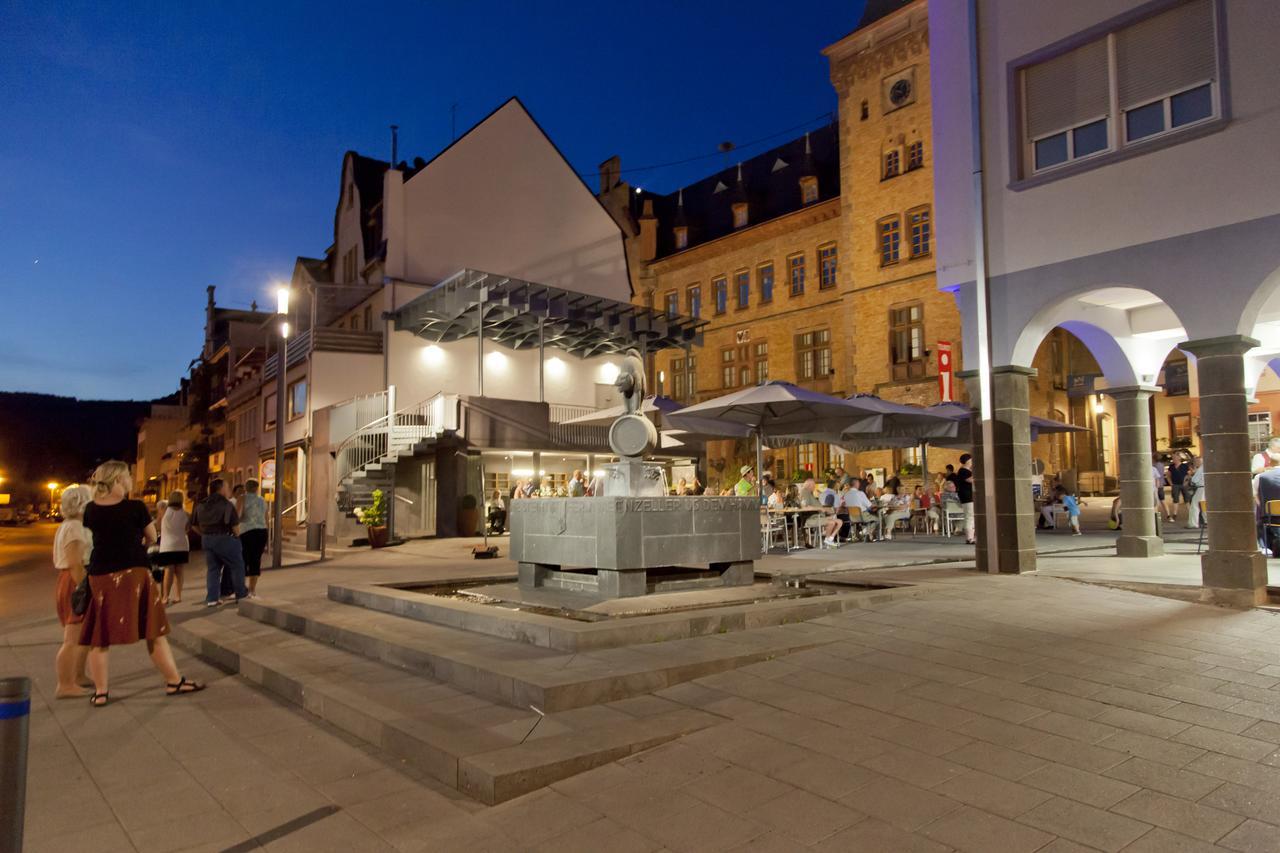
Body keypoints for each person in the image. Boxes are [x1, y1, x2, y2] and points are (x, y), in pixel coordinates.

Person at [80, 461, 204, 706]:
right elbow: (151, 537)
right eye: (126, 477)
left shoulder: (91, 509)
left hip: (101, 574)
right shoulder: (135, 507)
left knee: (99, 636)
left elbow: (89, 542)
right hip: (134, 572)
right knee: (153, 631)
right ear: (117, 480)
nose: (128, 481)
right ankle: (173, 680)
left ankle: (101, 692)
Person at [52, 483, 92, 698]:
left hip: (68, 579)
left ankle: (78, 676)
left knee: (81, 633)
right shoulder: (74, 527)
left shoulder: (68, 525)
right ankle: (65, 684)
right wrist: (85, 587)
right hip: (74, 580)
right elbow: (75, 562)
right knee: (73, 636)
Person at [194, 478, 249, 607]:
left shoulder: (201, 504)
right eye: (227, 487)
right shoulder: (227, 505)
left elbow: (193, 524)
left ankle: (212, 598)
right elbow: (235, 526)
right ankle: (241, 594)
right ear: (221, 489)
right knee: (237, 566)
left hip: (207, 539)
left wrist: (204, 534)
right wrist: (237, 538)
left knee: (213, 569)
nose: (229, 490)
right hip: (225, 538)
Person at [155, 490, 190, 605]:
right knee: (179, 571)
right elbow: (187, 529)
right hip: (182, 544)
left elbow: (158, 527)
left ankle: (165, 596)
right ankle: (178, 596)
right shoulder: (185, 513)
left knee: (168, 571)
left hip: (167, 545)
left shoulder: (164, 511)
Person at [239, 480, 268, 594]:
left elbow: (238, 515)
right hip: (261, 532)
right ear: (257, 488)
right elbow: (266, 517)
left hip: (246, 531)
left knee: (243, 560)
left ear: (246, 487)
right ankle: (252, 590)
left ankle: (242, 589)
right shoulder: (262, 500)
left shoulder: (242, 498)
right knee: (256, 560)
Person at [956, 453, 975, 545]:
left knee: (971, 516)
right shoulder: (963, 471)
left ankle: (971, 536)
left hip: (970, 496)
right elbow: (970, 480)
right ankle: (969, 538)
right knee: (969, 516)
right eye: (971, 460)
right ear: (967, 461)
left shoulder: (968, 470)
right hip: (967, 496)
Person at [1168, 451, 1190, 524]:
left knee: (1187, 499)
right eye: (1173, 458)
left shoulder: (1184, 466)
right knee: (1175, 499)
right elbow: (1168, 475)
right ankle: (1174, 514)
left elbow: (1189, 475)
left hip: (1184, 485)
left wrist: (1186, 482)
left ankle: (1190, 514)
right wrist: (1171, 484)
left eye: (1175, 457)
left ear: (1179, 458)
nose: (1174, 459)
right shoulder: (1171, 466)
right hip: (1175, 485)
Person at [1186, 457, 1206, 529]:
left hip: (1200, 488)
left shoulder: (1200, 469)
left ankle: (1193, 523)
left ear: (1198, 462)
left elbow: (1194, 480)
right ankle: (1206, 521)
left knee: (1195, 505)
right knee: (1203, 505)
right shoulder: (1205, 467)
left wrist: (1191, 477)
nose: (1194, 463)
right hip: (1205, 488)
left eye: (1195, 462)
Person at [1153, 454, 1173, 523]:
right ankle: (1168, 515)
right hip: (1161, 485)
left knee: (1155, 502)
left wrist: (1156, 487)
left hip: (1155, 486)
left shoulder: (1154, 466)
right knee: (1163, 500)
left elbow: (1156, 477)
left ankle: (1156, 517)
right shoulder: (1161, 465)